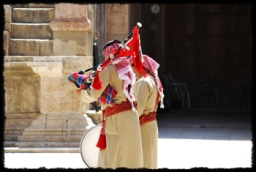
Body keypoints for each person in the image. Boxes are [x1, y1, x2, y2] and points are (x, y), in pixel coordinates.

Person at [76, 40, 144, 169]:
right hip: (130, 117)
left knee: (112, 158)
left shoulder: (109, 69)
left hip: (117, 118)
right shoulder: (127, 68)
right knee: (130, 157)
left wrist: (82, 94)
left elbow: (94, 93)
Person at [129, 54, 164, 169]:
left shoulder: (144, 82)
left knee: (145, 161)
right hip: (150, 125)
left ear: (138, 67)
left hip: (144, 127)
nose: (132, 71)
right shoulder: (152, 80)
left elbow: (138, 109)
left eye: (132, 67)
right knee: (149, 160)